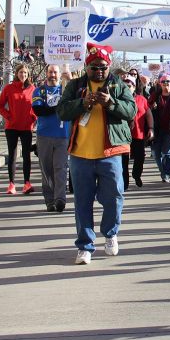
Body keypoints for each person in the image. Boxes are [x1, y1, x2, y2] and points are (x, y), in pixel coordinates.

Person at [57, 43, 136, 265]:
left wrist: (111, 103)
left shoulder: (118, 85)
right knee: (82, 201)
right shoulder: (75, 85)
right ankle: (85, 246)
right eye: (94, 68)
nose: (99, 71)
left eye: (103, 67)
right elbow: (61, 112)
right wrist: (82, 103)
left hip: (110, 153)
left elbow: (131, 111)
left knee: (114, 198)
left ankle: (110, 234)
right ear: (86, 67)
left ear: (109, 66)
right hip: (81, 155)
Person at [32, 65, 71, 212]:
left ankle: (60, 198)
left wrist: (70, 79)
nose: (52, 74)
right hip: (44, 135)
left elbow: (75, 99)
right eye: (50, 72)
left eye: (55, 72)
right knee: (46, 170)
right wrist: (57, 108)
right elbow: (38, 110)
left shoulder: (65, 90)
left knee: (60, 168)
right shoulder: (39, 91)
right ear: (46, 74)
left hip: (62, 136)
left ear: (59, 74)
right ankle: (50, 200)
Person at [0, 63, 38, 195]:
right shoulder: (9, 88)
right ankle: (11, 184)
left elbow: (37, 105)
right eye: (21, 72)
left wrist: (33, 118)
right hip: (12, 127)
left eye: (25, 73)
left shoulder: (32, 88)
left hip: (26, 127)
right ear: (16, 73)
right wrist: (8, 116)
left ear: (28, 75)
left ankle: (27, 183)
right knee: (12, 155)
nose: (23, 75)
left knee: (27, 155)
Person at [121, 77, 153, 191]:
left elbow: (148, 114)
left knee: (139, 158)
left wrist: (151, 128)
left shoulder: (141, 99)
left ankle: (136, 174)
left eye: (129, 86)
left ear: (134, 87)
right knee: (123, 160)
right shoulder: (118, 99)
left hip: (138, 134)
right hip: (122, 136)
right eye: (124, 86)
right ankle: (125, 182)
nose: (126, 88)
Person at [149, 74, 170, 182]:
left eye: (168, 82)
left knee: (167, 152)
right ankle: (164, 172)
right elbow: (147, 109)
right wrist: (152, 107)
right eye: (163, 82)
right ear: (160, 84)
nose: (166, 84)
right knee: (156, 153)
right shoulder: (155, 95)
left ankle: (166, 174)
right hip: (157, 129)